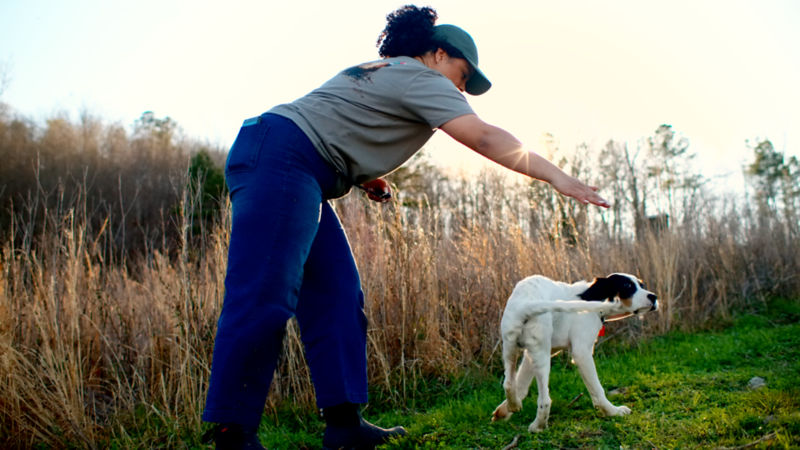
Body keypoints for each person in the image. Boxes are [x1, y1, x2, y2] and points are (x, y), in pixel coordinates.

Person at [202, 5, 610, 449]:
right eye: (462, 73)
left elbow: (340, 120)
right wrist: (559, 177)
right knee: (265, 292)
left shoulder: (382, 70)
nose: (461, 87)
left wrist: (364, 175)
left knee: (338, 293)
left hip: (295, 163)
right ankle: (232, 431)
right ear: (436, 54)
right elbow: (486, 137)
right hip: (282, 160)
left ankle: (344, 424)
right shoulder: (423, 78)